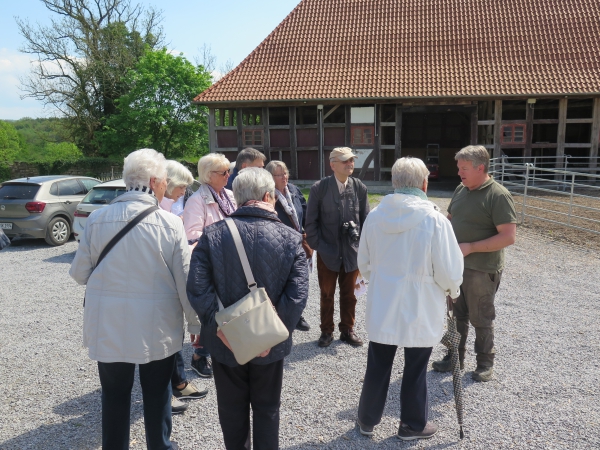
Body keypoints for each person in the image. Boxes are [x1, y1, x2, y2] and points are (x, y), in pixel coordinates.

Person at [69, 148, 200, 450]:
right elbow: (185, 281)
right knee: (157, 394)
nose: (167, 185)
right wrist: (195, 322)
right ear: (154, 182)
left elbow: (78, 274)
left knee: (114, 395)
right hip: (157, 326)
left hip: (109, 324)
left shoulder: (98, 218)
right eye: (166, 180)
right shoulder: (170, 223)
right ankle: (160, 446)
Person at [187, 167, 308, 450]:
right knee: (267, 409)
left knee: (231, 411)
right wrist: (273, 333)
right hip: (270, 344)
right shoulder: (290, 238)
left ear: (237, 197)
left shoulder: (212, 235)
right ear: (269, 196)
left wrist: (218, 329)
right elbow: (298, 294)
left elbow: (196, 287)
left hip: (225, 342)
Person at [355, 157, 464, 440]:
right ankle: (412, 425)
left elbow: (364, 262)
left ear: (394, 182)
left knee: (378, 362)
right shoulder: (435, 220)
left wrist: (379, 278)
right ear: (424, 183)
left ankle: (367, 420)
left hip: (383, 300)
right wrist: (453, 290)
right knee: (416, 367)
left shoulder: (376, 216)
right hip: (421, 303)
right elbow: (450, 270)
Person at [432, 145, 517, 382]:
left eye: (464, 168)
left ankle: (484, 364)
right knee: (456, 315)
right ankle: (454, 357)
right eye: (459, 168)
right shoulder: (461, 189)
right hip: (456, 267)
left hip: (482, 268)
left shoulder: (497, 195)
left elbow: (508, 236)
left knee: (481, 317)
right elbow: (450, 220)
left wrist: (470, 247)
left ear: (481, 168)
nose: (459, 172)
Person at [305, 147, 370, 348]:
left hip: (352, 252)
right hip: (328, 252)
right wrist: (319, 246)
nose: (350, 164)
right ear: (332, 164)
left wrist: (361, 245)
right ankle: (326, 331)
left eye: (351, 160)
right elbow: (310, 223)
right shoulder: (320, 188)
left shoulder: (359, 187)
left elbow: (366, 220)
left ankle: (347, 329)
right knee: (326, 294)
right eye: (345, 161)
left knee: (350, 294)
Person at [183, 153, 237, 378]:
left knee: (229, 309)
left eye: (228, 171)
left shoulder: (229, 195)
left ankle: (226, 349)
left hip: (230, 262)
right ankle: (199, 356)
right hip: (211, 263)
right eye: (223, 172)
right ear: (208, 175)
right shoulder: (197, 200)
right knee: (210, 311)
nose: (228, 175)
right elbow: (192, 236)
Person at [161, 160, 208, 413]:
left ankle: (177, 382)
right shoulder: (159, 209)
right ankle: (163, 392)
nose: (183, 192)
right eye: (180, 187)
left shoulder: (171, 203)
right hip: (162, 286)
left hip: (173, 282)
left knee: (174, 336)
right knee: (164, 340)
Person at [265, 159, 311, 332]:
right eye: (279, 174)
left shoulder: (293, 190)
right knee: (280, 282)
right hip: (279, 244)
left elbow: (304, 210)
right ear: (270, 177)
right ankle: (279, 317)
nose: (284, 177)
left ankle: (296, 314)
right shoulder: (268, 195)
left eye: (285, 173)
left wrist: (306, 230)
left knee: (298, 281)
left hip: (298, 242)